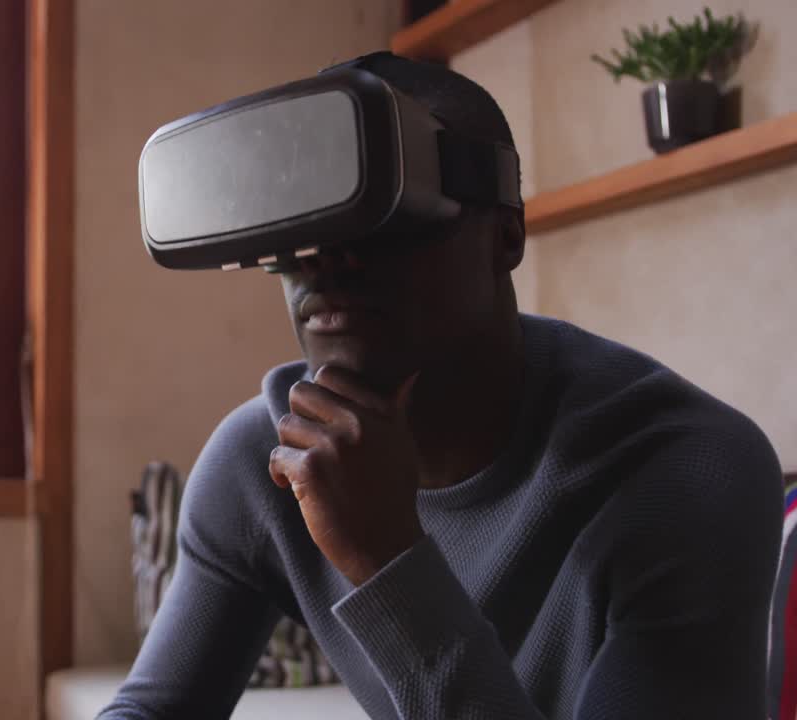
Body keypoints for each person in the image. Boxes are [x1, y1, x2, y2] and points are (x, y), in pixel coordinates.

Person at [99, 52, 782, 719]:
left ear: (505, 236)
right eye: (305, 222)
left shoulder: (686, 469)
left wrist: (389, 564)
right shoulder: (264, 463)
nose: (329, 259)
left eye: (385, 213)